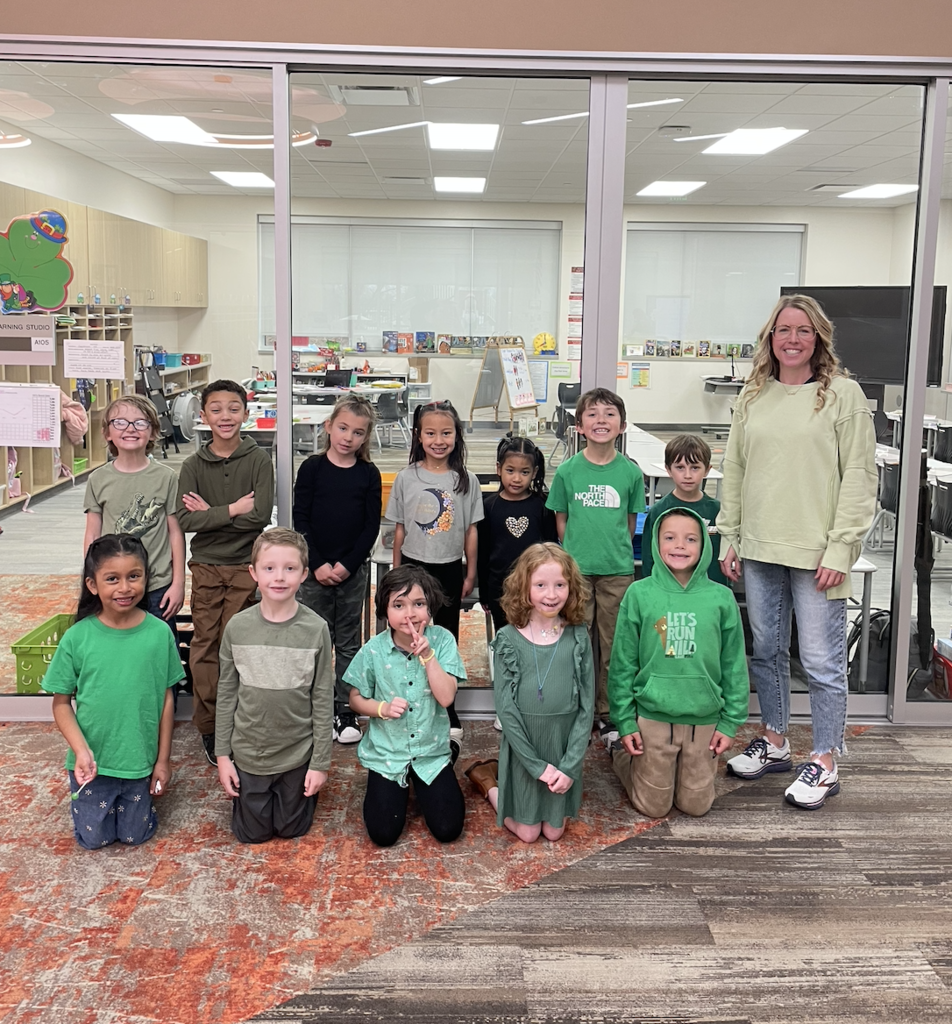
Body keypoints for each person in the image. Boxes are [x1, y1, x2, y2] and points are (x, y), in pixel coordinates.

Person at [717, 294, 877, 809]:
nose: (792, 339)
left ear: (819, 338)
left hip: (818, 554)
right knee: (766, 651)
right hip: (760, 545)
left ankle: (827, 758)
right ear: (770, 337)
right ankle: (777, 740)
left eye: (803, 331)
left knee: (820, 661)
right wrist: (730, 534)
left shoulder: (844, 395)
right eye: (783, 329)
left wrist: (841, 548)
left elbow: (859, 475)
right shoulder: (753, 394)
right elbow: (736, 470)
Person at [607, 508, 749, 818]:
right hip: (652, 717)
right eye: (669, 538)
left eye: (691, 539)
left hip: (704, 719)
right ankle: (620, 755)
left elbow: (735, 666)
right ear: (656, 542)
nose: (680, 546)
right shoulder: (638, 594)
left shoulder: (722, 599)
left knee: (696, 806)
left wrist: (730, 722)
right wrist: (625, 721)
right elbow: (622, 662)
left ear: (705, 546)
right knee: (653, 807)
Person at [45, 535, 182, 849]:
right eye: (112, 579)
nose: (125, 588)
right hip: (92, 764)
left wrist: (163, 761)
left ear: (146, 578)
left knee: (135, 837)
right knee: (93, 840)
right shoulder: (76, 637)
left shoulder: (160, 634)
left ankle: (140, 810)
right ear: (93, 585)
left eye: (134, 576)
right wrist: (81, 751)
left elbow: (166, 699)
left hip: (139, 762)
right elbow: (61, 704)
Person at [466, 543, 593, 843]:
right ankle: (490, 785)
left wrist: (569, 766)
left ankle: (534, 788)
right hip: (526, 746)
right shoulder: (508, 639)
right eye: (541, 585)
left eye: (560, 585)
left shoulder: (578, 635)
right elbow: (506, 710)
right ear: (524, 588)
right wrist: (537, 767)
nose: (551, 595)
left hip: (562, 744)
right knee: (527, 833)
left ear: (571, 587)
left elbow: (587, 707)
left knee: (553, 832)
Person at [176, 379, 275, 766]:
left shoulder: (258, 460)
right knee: (205, 645)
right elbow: (185, 519)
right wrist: (233, 509)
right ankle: (210, 724)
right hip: (205, 567)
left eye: (233, 408)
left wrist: (210, 515)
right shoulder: (192, 465)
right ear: (203, 416)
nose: (225, 416)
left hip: (246, 568)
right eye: (216, 409)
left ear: (246, 414)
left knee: (242, 647)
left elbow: (260, 516)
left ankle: (241, 721)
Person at [214, 528, 334, 844]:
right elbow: (226, 693)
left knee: (292, 829)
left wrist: (320, 763)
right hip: (250, 753)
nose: (279, 577)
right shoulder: (237, 627)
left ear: (304, 574)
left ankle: (294, 794)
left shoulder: (316, 629)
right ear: (253, 572)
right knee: (252, 834)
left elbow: (322, 698)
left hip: (297, 754)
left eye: (289, 568)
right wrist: (223, 756)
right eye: (269, 568)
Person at [545, 387, 645, 746]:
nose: (601, 420)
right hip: (577, 572)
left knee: (614, 645)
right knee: (578, 644)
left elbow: (630, 523)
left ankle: (609, 713)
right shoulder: (569, 471)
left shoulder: (630, 474)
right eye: (592, 414)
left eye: (609, 414)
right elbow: (562, 523)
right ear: (579, 425)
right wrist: (575, 558)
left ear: (622, 424)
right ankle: (579, 710)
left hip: (617, 570)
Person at [344, 565, 466, 848]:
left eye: (419, 604)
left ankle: (451, 750)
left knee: (448, 829)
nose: (409, 613)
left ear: (430, 607)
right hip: (388, 753)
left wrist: (428, 655)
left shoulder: (443, 641)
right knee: (383, 834)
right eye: (398, 605)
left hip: (432, 752)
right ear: (385, 610)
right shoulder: (373, 650)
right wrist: (381, 709)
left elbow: (446, 698)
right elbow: (354, 699)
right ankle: (392, 784)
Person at [386, 400, 483, 743]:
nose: (438, 440)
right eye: (430, 433)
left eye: (446, 433)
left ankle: (446, 703)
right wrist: (395, 574)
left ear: (457, 436)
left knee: (444, 635)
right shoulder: (406, 477)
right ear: (418, 436)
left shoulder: (466, 481)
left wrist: (471, 571)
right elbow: (399, 528)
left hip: (448, 568)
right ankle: (407, 698)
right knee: (407, 633)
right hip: (414, 566)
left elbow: (471, 530)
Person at [293, 394, 381, 746]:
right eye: (343, 428)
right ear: (329, 426)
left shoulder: (368, 473)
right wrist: (316, 563)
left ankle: (345, 708)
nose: (348, 437)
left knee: (347, 643)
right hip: (314, 571)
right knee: (315, 641)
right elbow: (301, 518)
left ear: (365, 438)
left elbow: (370, 527)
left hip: (352, 572)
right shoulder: (312, 468)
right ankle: (316, 710)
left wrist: (347, 565)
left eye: (358, 432)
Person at [83, 395, 185, 629]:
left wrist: (178, 582)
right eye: (120, 422)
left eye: (140, 422)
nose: (130, 429)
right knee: (116, 643)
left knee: (159, 647)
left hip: (158, 584)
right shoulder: (98, 479)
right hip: (114, 584)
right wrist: (95, 580)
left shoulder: (167, 477)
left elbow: (175, 533)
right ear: (108, 433)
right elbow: (92, 535)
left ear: (153, 432)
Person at [476, 434, 558, 632]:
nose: (516, 478)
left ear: (534, 472)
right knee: (505, 636)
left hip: (534, 588)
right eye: (510, 470)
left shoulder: (542, 505)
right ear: (498, 469)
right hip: (499, 589)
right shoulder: (489, 506)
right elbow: (483, 551)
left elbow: (551, 548)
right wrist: (484, 593)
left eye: (524, 472)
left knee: (534, 633)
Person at [640, 434, 727, 586]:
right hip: (668, 590)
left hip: (709, 592)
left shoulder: (718, 511)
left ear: (707, 470)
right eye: (680, 467)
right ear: (668, 469)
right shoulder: (659, 512)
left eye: (695, 468)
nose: (687, 475)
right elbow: (649, 557)